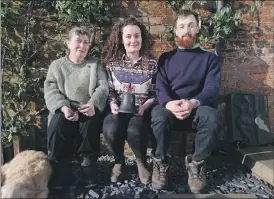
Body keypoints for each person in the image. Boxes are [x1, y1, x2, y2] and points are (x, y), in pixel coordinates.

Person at [150, 9, 221, 192]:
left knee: (212, 117)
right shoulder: (166, 58)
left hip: (197, 108)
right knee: (158, 115)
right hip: (171, 109)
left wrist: (192, 102)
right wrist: (169, 104)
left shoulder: (210, 59)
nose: (186, 30)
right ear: (175, 31)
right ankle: (160, 162)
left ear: (198, 28)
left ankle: (196, 164)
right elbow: (160, 86)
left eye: (191, 25)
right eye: (182, 26)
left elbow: (212, 89)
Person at [44, 26, 109, 189]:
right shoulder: (57, 65)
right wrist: (63, 107)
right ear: (68, 43)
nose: (82, 46)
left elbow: (102, 86)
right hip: (65, 108)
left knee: (89, 123)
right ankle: (61, 169)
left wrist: (93, 104)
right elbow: (50, 89)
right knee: (57, 124)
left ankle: (88, 167)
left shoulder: (95, 64)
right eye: (78, 41)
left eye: (86, 42)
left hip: (87, 107)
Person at [101, 16, 157, 185]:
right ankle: (119, 160)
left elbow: (156, 92)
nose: (133, 40)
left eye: (137, 36)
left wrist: (145, 105)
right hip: (118, 109)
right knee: (110, 129)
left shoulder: (152, 64)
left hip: (141, 110)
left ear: (142, 38)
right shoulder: (112, 64)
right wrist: (112, 103)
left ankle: (141, 161)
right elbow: (109, 90)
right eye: (128, 36)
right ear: (121, 39)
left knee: (135, 130)